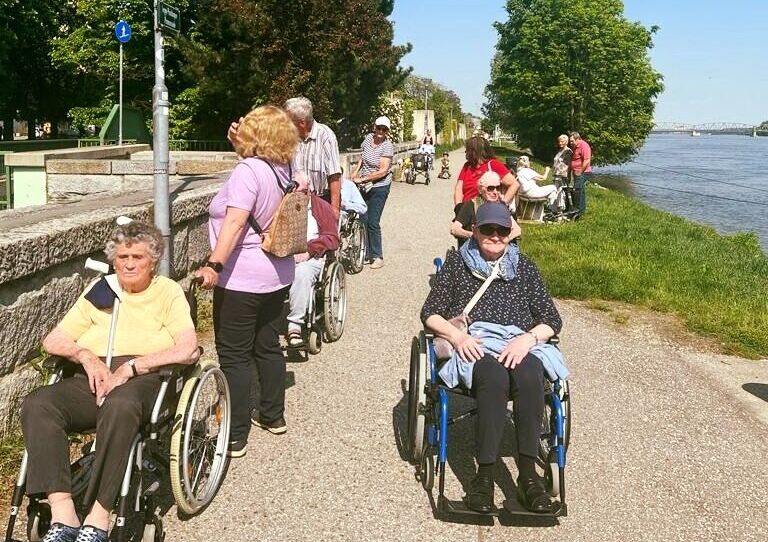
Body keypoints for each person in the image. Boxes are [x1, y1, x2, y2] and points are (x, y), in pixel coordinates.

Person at [22, 221, 198, 542]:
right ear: (113, 259)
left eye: (138, 257)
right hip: (94, 375)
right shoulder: (102, 289)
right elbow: (53, 340)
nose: (129, 264)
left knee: (121, 404)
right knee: (39, 403)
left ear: (153, 260)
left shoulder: (167, 292)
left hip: (145, 378)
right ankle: (64, 515)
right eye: (122, 257)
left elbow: (188, 349)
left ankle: (98, 517)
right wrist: (85, 356)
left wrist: (132, 367)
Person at [421, 202, 566, 514]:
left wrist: (527, 339)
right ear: (475, 230)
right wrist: (458, 337)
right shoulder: (458, 265)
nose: (496, 236)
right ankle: (483, 478)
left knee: (530, 376)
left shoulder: (524, 267)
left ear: (510, 233)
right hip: (476, 343)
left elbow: (551, 320)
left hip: (518, 343)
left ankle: (528, 480)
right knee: (493, 376)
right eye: (488, 229)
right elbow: (429, 313)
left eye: (502, 230)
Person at [197, 105, 298, 453]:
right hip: (277, 274)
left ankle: (235, 432)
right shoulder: (285, 168)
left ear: (256, 136)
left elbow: (236, 222)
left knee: (235, 355)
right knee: (267, 345)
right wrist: (240, 146)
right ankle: (273, 415)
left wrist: (215, 265)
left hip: (242, 278)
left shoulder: (247, 171)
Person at [228, 97, 342, 215]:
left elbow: (334, 175)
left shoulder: (325, 136)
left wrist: (334, 210)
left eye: (288, 121)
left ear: (302, 123)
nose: (285, 125)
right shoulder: (286, 138)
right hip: (293, 204)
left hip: (320, 201)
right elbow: (261, 152)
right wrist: (239, 139)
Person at [285, 194, 340, 348]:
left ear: (309, 189)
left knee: (302, 273)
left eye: (302, 189)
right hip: (286, 254)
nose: (297, 193)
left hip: (314, 256)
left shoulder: (321, 207)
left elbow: (332, 238)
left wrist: (310, 250)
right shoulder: (283, 205)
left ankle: (294, 326)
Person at [350, 115, 395, 270]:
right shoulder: (368, 138)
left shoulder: (387, 146)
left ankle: (377, 256)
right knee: (363, 218)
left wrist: (363, 179)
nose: (381, 131)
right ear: (374, 127)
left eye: (384, 129)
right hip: (364, 185)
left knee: (373, 221)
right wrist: (355, 172)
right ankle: (365, 251)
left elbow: (383, 171)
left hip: (379, 186)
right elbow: (362, 158)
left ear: (387, 131)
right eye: (379, 128)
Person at [451, 171, 521, 247]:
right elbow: (454, 229)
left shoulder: (501, 206)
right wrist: (475, 236)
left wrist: (502, 240)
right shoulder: (471, 205)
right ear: (480, 190)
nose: (495, 192)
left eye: (498, 188)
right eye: (490, 188)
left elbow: (517, 230)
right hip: (476, 248)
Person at [454, 136, 519, 209]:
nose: (466, 152)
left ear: (474, 151)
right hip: (466, 211)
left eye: (468, 149)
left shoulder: (493, 164)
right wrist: (458, 206)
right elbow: (459, 188)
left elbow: (514, 184)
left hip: (486, 212)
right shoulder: (467, 166)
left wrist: (502, 204)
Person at [569, 132, 592, 216]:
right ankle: (580, 211)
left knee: (577, 190)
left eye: (572, 141)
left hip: (583, 172)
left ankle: (578, 212)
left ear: (578, 139)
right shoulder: (575, 147)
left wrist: (580, 171)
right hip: (576, 172)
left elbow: (587, 160)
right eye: (570, 141)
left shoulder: (584, 145)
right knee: (580, 190)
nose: (570, 143)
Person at [552, 134, 574, 211]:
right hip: (556, 175)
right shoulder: (559, 151)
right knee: (555, 192)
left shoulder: (568, 152)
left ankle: (561, 210)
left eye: (562, 141)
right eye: (559, 141)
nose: (560, 143)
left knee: (561, 193)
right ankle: (554, 209)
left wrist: (568, 176)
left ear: (566, 142)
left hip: (563, 176)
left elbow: (569, 165)